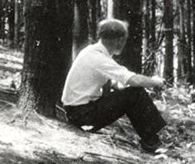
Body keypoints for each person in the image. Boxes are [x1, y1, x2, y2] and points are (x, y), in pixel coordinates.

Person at [61, 19, 168, 154]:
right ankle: (151, 142)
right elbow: (134, 80)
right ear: (119, 40)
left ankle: (152, 139)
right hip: (82, 115)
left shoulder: (92, 52)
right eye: (123, 40)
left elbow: (113, 82)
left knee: (131, 94)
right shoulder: (98, 58)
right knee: (136, 93)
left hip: (78, 112)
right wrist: (155, 82)